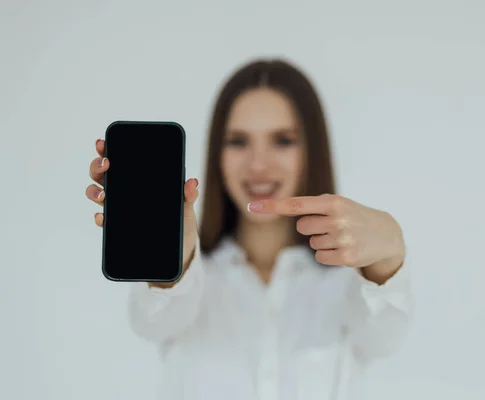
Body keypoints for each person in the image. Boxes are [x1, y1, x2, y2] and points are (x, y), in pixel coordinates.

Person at [86, 59, 414, 400]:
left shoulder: (346, 281)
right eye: (238, 141)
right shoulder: (192, 282)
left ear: (312, 150)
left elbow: (386, 335)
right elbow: (152, 321)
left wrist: (390, 250)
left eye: (283, 140)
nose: (258, 164)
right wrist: (171, 258)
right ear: (217, 152)